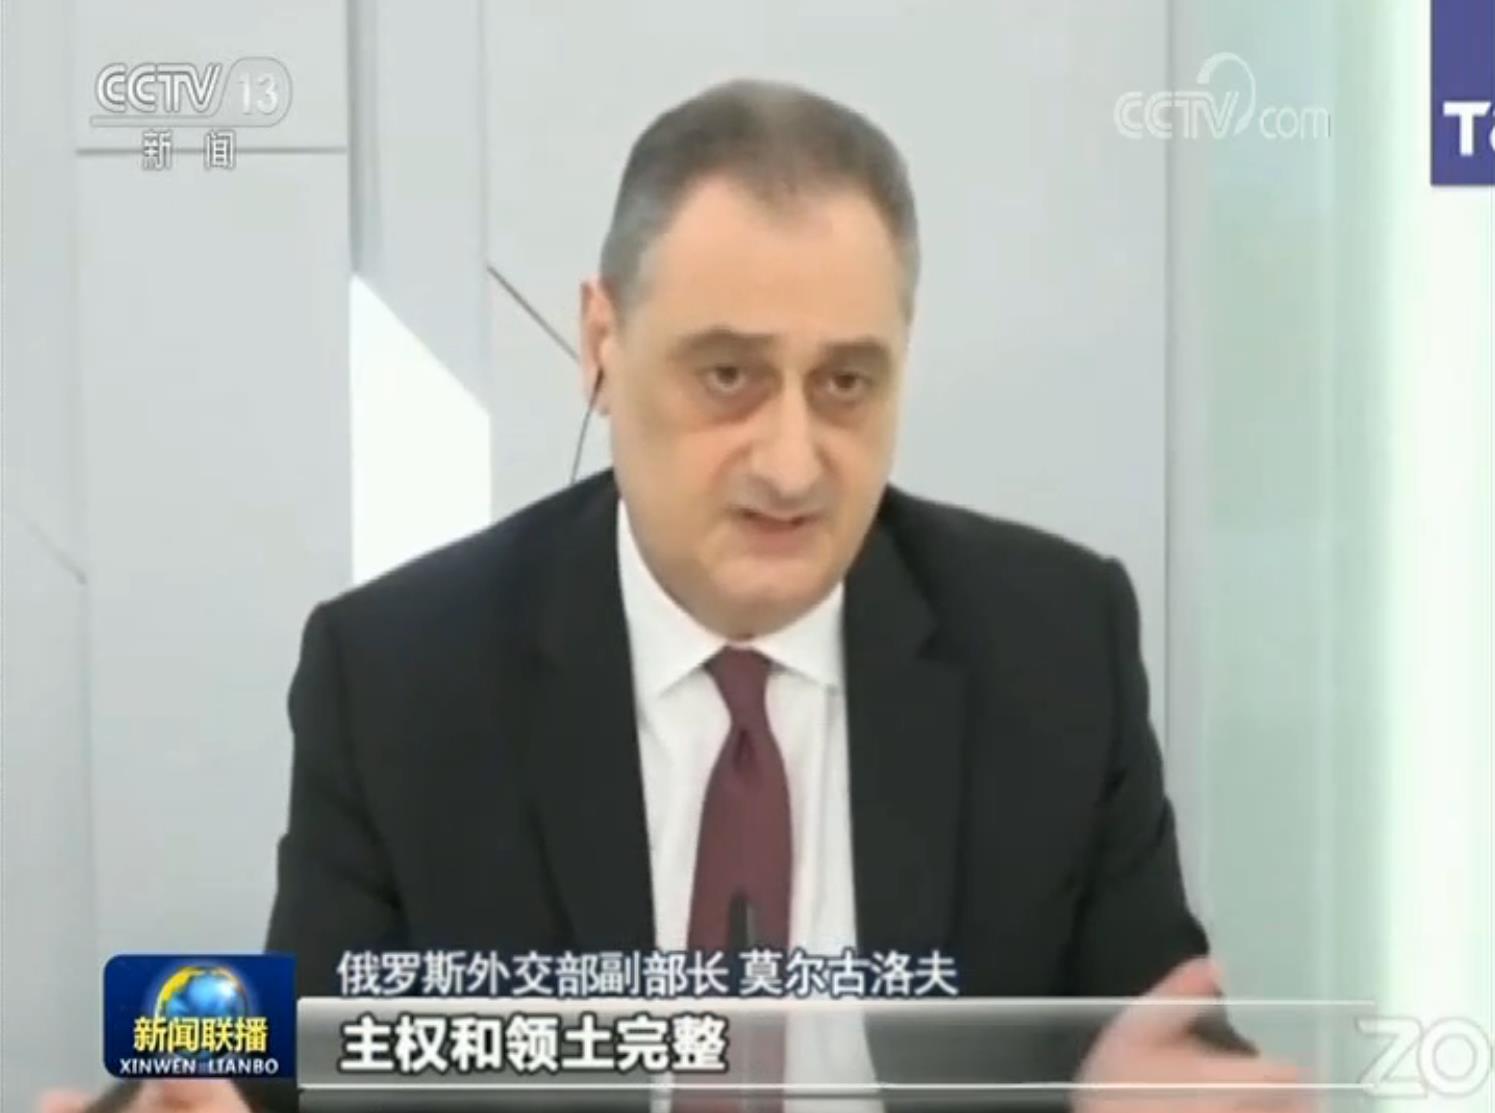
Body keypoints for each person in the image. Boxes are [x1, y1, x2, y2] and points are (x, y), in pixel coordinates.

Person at [43, 79, 1307, 1113]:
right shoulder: (399, 678)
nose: (792, 463)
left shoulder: (1054, 648)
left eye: (847, 384)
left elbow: (1159, 1036)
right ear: (602, 343)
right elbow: (297, 1055)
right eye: (727, 377)